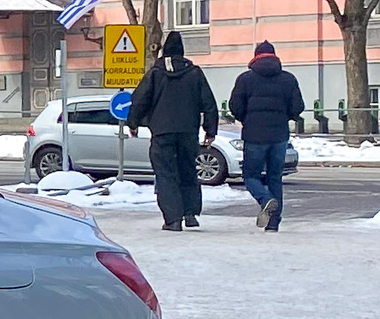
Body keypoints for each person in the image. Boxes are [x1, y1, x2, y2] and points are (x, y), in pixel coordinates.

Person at [126, 30, 218, 231]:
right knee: (187, 169)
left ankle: (173, 219)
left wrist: (132, 123)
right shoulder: (194, 73)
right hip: (188, 131)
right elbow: (209, 103)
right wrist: (210, 131)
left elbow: (139, 100)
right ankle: (190, 213)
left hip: (162, 131)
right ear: (182, 52)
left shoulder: (155, 73)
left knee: (166, 174)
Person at [227, 39, 306, 230]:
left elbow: (235, 106)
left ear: (255, 57)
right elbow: (298, 107)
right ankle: (274, 222)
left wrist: (246, 118)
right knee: (274, 177)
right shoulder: (288, 79)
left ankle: (265, 200)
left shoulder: (245, 79)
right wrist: (285, 116)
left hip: (254, 134)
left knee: (251, 175)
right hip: (279, 135)